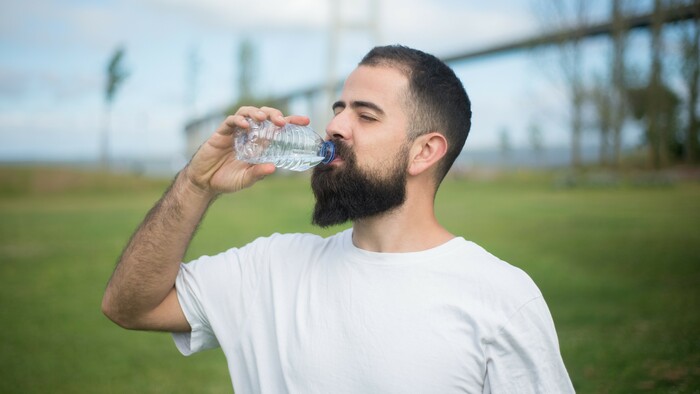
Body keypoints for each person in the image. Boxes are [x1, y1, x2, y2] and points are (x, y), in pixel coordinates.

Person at [102, 45, 574, 393]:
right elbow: (129, 306)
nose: (334, 127)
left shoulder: (502, 298)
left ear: (425, 151)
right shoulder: (270, 268)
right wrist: (195, 183)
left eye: (365, 116)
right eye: (338, 109)